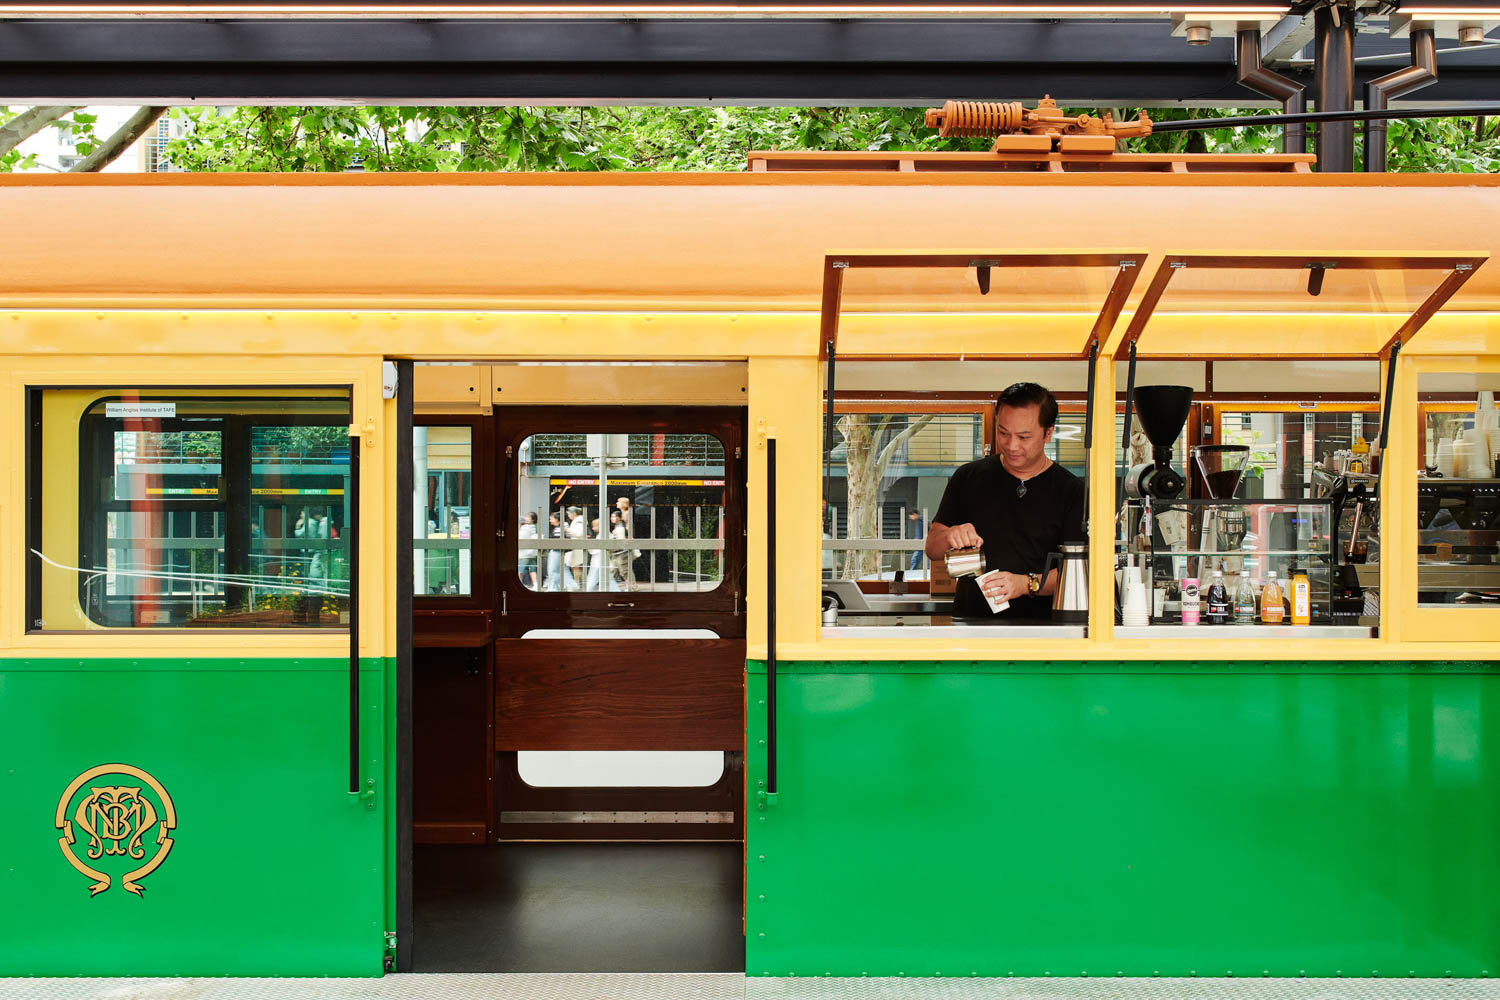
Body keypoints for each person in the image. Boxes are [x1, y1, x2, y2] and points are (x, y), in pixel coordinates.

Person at [924, 382, 1084, 619]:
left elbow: (1078, 573)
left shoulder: (1071, 490)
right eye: (1003, 433)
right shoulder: (968, 477)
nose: (1011, 445)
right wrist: (949, 536)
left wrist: (1025, 584)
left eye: (1024, 436)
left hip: (1043, 630)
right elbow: (932, 548)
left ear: (1048, 433)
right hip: (971, 623)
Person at [564, 506, 586, 591]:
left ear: (574, 513)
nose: (568, 516)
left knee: (575, 566)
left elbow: (579, 533)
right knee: (575, 566)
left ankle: (576, 583)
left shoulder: (579, 521)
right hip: (576, 546)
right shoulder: (578, 520)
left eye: (569, 514)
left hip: (578, 546)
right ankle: (576, 583)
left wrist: (568, 530)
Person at [518, 513, 539, 590]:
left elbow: (521, 537)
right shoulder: (535, 527)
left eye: (528, 517)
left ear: (532, 519)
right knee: (532, 570)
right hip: (532, 552)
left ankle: (519, 584)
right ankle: (536, 585)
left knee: (520, 570)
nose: (526, 518)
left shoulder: (526, 528)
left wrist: (520, 528)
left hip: (525, 553)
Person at [543, 513, 564, 591]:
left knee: (553, 570)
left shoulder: (559, 528)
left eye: (551, 519)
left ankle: (553, 588)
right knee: (561, 570)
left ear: (557, 519)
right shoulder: (558, 528)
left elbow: (557, 540)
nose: (550, 520)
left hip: (556, 550)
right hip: (557, 551)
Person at [586, 517, 605, 591]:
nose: (593, 528)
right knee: (609, 581)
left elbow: (597, 550)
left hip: (598, 562)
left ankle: (586, 596)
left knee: (591, 580)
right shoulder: (601, 534)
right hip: (599, 562)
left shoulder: (602, 535)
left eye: (594, 526)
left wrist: (588, 547)